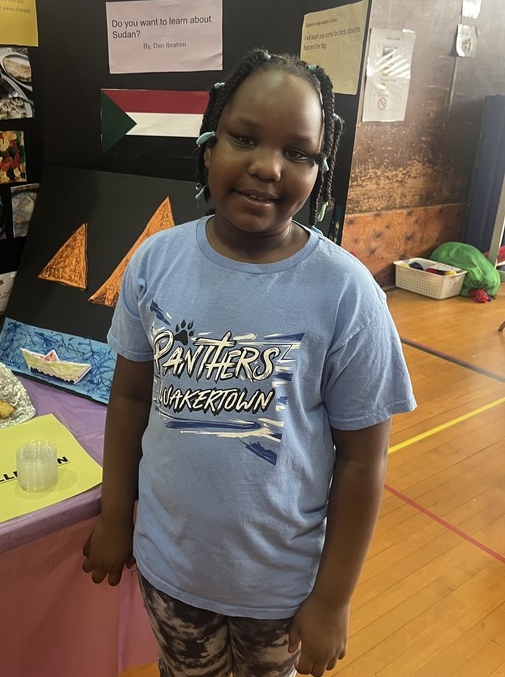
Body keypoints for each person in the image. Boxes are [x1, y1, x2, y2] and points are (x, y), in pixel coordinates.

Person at [82, 49, 416, 677]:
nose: (268, 167)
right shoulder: (155, 263)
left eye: (299, 152)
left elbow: (363, 459)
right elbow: (128, 399)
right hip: (171, 571)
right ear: (209, 144)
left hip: (280, 592)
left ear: (319, 169)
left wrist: (333, 599)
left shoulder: (346, 292)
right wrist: (113, 515)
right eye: (244, 138)